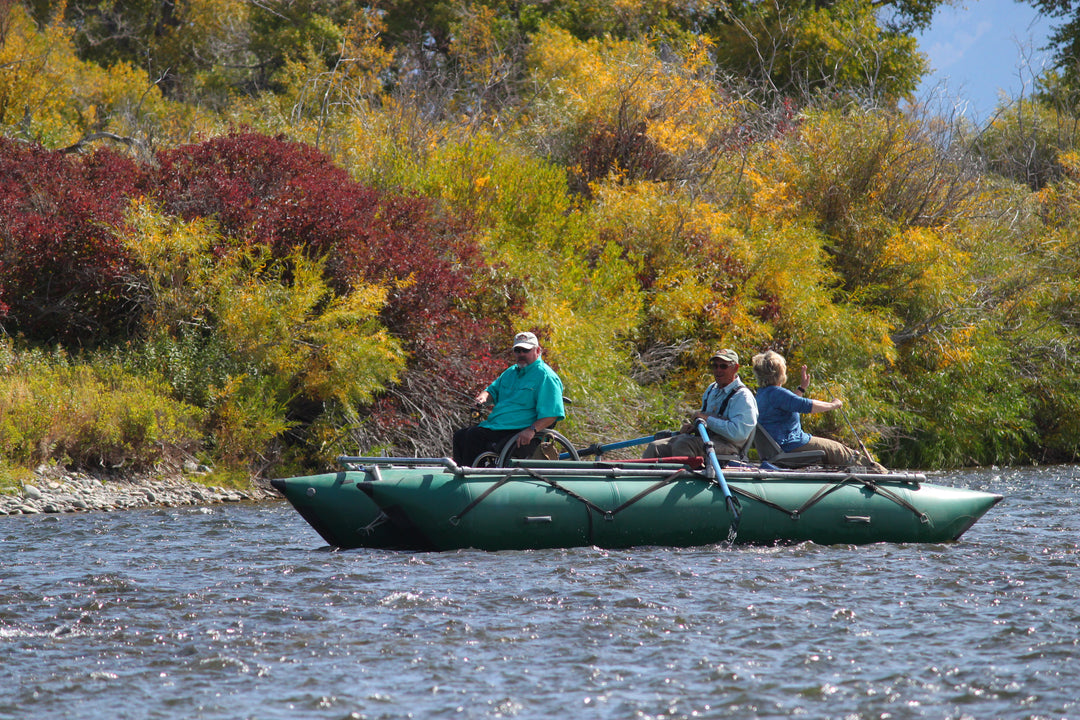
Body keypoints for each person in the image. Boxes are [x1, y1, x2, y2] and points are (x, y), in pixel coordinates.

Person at [751, 350, 887, 472]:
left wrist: (801, 389)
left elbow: (789, 404)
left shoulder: (763, 394)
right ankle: (881, 474)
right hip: (791, 445)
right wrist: (833, 405)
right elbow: (806, 406)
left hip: (779, 447)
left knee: (837, 449)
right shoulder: (777, 393)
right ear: (780, 372)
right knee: (841, 451)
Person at [452, 331, 566, 466]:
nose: (521, 354)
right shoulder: (510, 372)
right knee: (460, 436)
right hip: (497, 427)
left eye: (526, 350)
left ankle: (472, 477)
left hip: (520, 430)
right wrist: (482, 398)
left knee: (473, 436)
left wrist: (531, 430)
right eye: (517, 350)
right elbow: (491, 391)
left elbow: (552, 414)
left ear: (537, 350)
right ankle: (462, 476)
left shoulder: (546, 377)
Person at [643, 348, 758, 459]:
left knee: (684, 444)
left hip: (729, 447)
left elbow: (738, 433)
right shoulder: (711, 389)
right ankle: (646, 477)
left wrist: (707, 419)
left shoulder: (742, 396)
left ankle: (681, 477)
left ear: (735, 368)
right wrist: (693, 428)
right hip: (705, 439)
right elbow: (704, 421)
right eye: (715, 366)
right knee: (655, 447)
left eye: (723, 366)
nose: (718, 370)